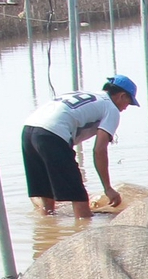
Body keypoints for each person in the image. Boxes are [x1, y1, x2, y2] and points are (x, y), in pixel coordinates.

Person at [20, 76, 138, 218]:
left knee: (46, 196)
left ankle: (47, 230)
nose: (126, 108)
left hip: (28, 131)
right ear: (122, 96)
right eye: (128, 102)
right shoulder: (111, 108)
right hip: (52, 135)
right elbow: (99, 150)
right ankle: (83, 229)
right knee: (79, 196)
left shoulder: (91, 96)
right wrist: (108, 188)